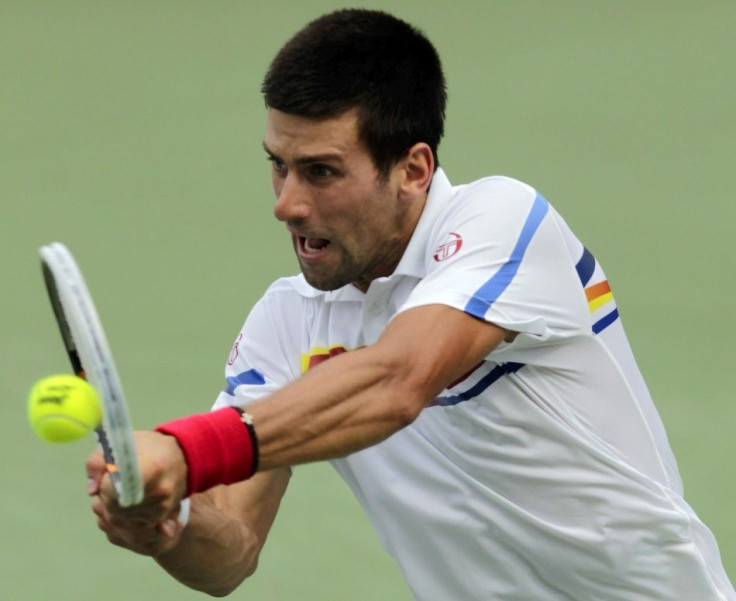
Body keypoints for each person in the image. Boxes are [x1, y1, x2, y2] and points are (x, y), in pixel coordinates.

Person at [86, 8, 735, 600]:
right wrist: (170, 522)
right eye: (278, 165)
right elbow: (230, 552)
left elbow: (399, 380)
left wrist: (187, 448)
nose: (285, 203)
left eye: (321, 171)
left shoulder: (503, 221)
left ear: (414, 170)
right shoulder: (285, 325)